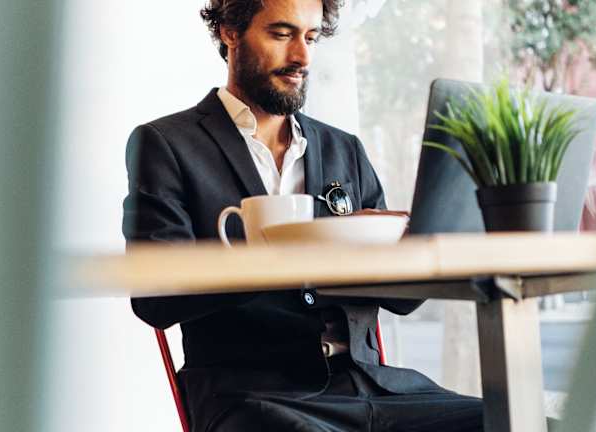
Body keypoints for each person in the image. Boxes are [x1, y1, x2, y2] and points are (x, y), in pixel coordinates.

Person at [123, 0, 483, 430]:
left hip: (372, 386)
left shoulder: (344, 149)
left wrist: (414, 239)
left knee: (512, 419)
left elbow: (400, 300)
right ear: (230, 32)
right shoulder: (166, 144)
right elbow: (154, 297)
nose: (302, 56)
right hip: (253, 396)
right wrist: (274, 257)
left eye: (310, 38)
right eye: (281, 34)